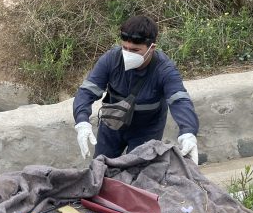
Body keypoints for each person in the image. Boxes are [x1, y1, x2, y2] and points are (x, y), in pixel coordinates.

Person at [72, 15, 200, 163]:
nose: (127, 54)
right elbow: (87, 91)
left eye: (135, 50)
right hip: (112, 124)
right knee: (101, 169)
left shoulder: (165, 69)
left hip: (147, 130)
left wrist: (188, 132)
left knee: (140, 174)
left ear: (151, 48)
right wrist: (82, 121)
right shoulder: (111, 59)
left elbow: (179, 100)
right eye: (125, 48)